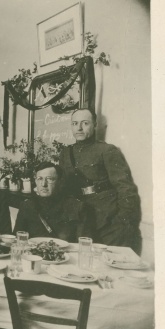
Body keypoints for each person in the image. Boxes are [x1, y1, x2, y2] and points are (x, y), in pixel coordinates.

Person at [59, 108, 142, 253]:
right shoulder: (66, 153)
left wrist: (122, 220)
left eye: (85, 123)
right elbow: (63, 188)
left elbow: (125, 188)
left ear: (95, 125)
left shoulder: (107, 150)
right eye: (75, 123)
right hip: (82, 221)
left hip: (107, 221)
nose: (79, 128)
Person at [14, 162, 95, 242]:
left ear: (60, 182)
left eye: (49, 179)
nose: (43, 184)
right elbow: (17, 240)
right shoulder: (27, 206)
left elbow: (84, 244)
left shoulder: (76, 207)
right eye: (40, 179)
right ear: (35, 182)